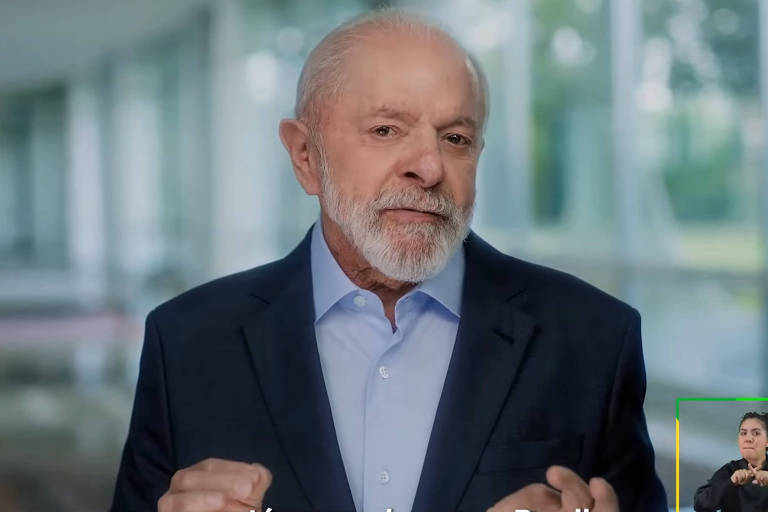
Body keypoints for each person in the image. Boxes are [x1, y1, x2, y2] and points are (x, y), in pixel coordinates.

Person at [110, 9, 667, 512]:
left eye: (455, 137)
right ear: (306, 156)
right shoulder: (186, 343)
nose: (428, 167)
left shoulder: (592, 338)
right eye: (385, 130)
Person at [694, 411, 768, 512]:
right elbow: (701, 505)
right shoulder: (729, 471)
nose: (748, 439)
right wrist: (731, 482)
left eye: (756, 433)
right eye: (743, 433)